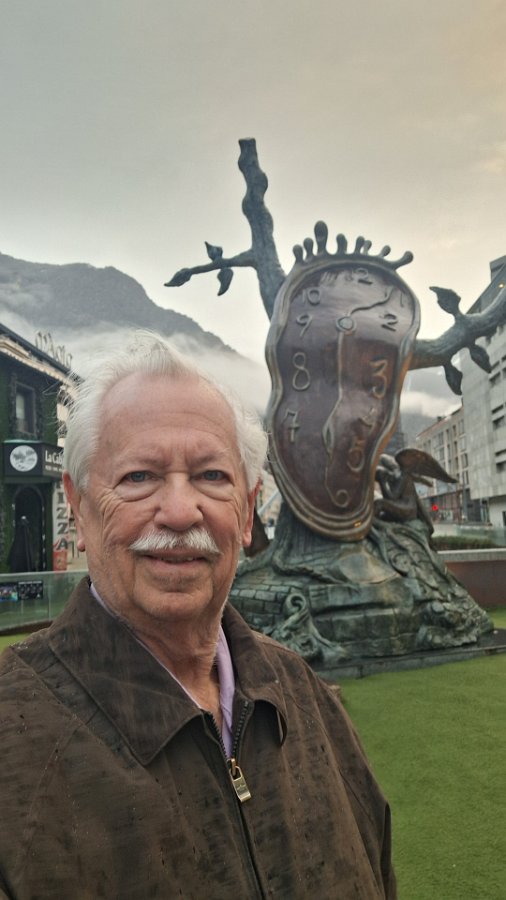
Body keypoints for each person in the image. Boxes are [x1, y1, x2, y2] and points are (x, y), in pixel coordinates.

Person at [0, 332, 395, 899]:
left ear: (247, 513)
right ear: (80, 510)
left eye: (212, 476)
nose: (182, 512)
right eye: (139, 477)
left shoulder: (305, 696)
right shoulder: (15, 739)